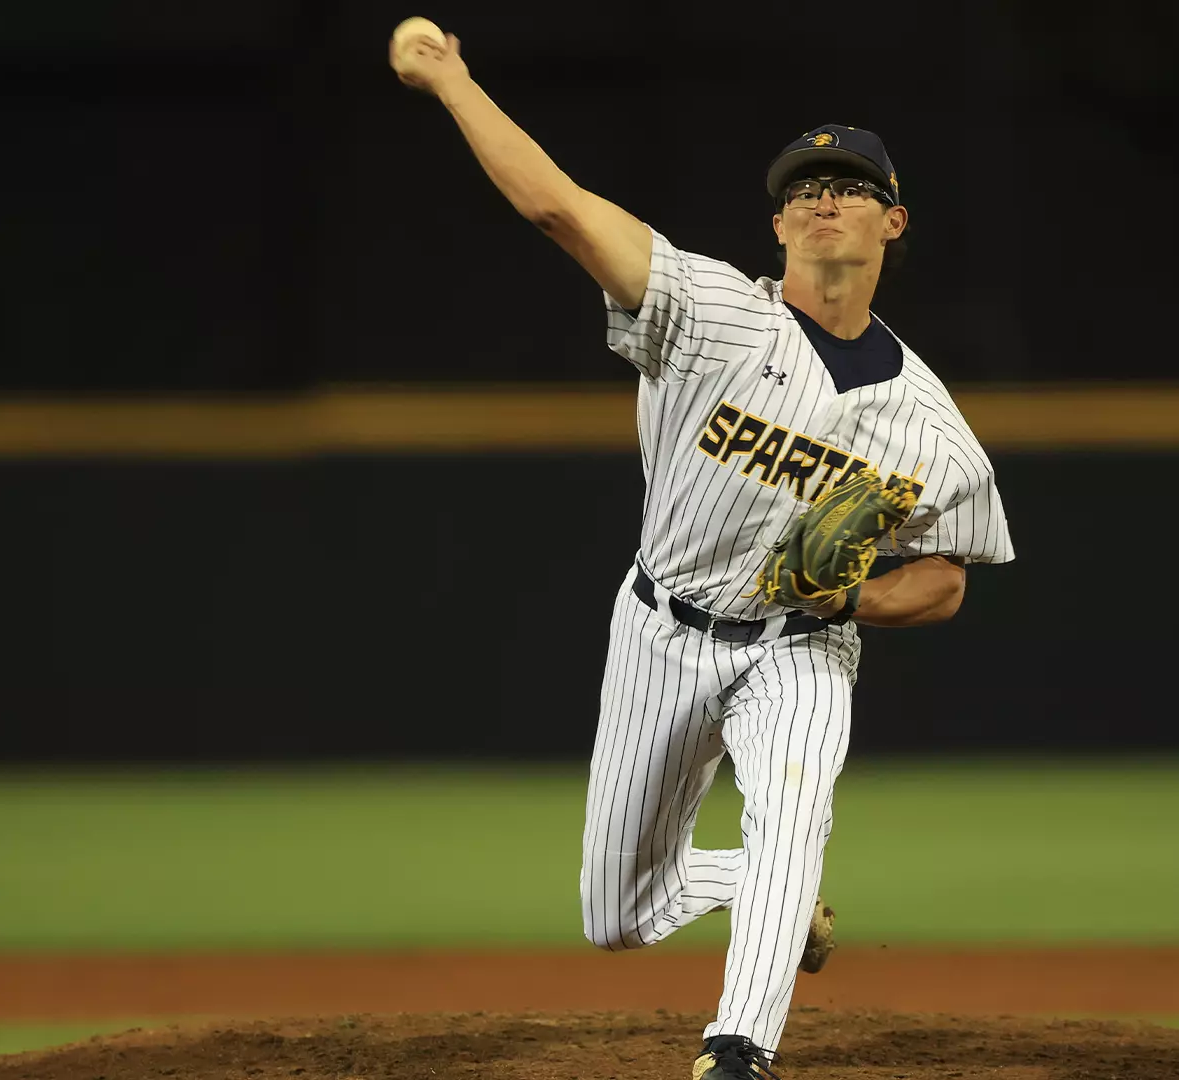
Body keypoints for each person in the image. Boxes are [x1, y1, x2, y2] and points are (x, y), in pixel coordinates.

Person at [390, 23, 1015, 1080]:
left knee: (792, 817)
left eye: (849, 187)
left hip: (798, 646)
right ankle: (766, 893)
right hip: (660, 627)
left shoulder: (933, 428)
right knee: (616, 914)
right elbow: (558, 207)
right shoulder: (711, 311)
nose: (823, 199)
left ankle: (739, 1049)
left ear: (892, 220)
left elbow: (945, 578)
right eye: (803, 189)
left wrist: (850, 599)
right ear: (777, 224)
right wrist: (452, 79)